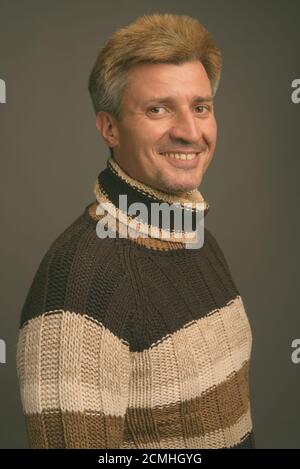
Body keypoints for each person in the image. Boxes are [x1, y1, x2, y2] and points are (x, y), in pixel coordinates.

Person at [16, 13, 255, 449]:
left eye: (200, 107)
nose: (190, 132)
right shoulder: (77, 280)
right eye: (158, 109)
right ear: (109, 128)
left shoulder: (195, 236)